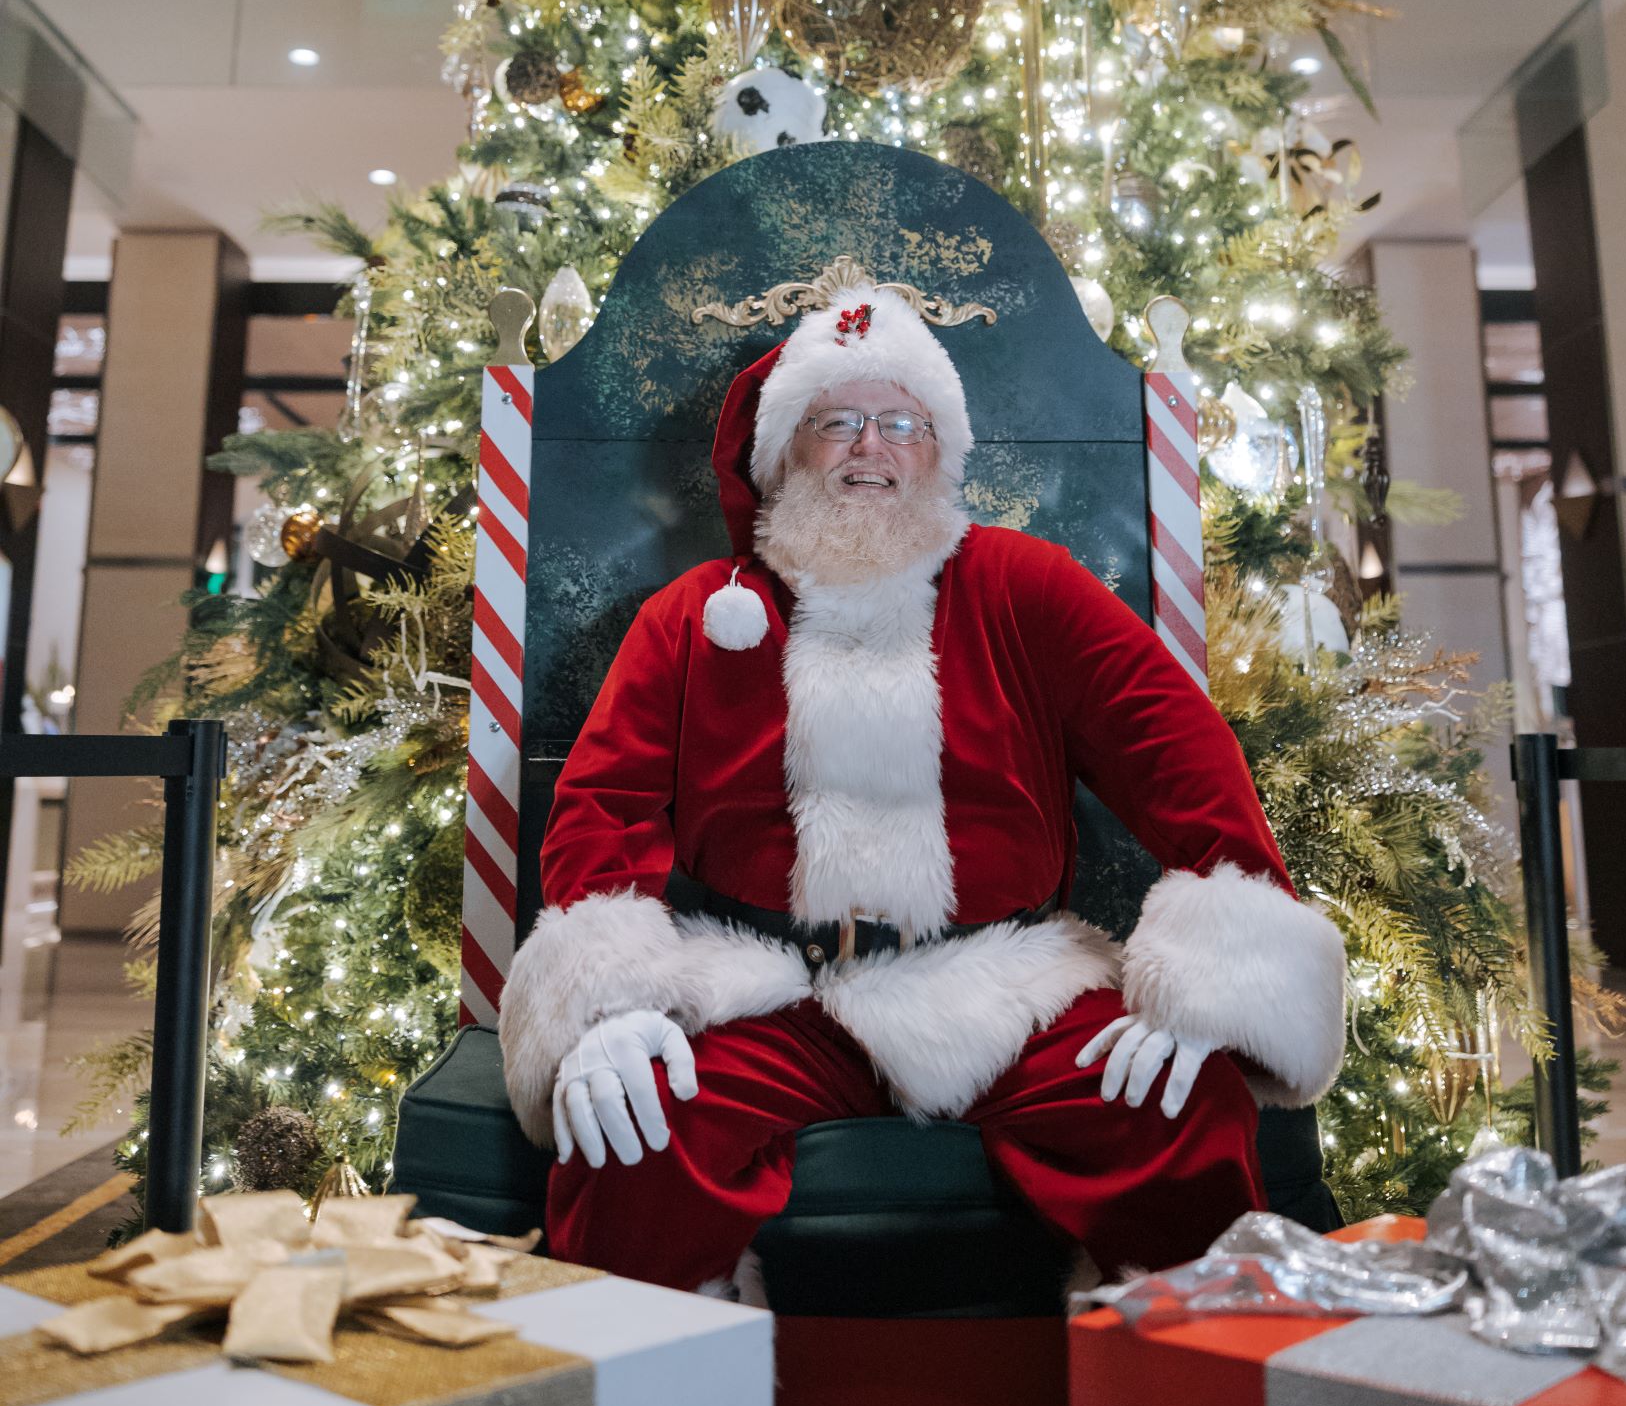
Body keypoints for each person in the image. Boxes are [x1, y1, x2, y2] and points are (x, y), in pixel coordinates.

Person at [500, 287, 1345, 1294]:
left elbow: (1179, 753)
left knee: (1179, 1117)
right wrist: (608, 1006)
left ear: (938, 449)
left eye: (899, 422)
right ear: (783, 454)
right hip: (769, 987)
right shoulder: (696, 618)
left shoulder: (1027, 585)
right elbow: (605, 802)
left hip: (1007, 983)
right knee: (633, 1135)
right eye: (837, 422)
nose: (871, 448)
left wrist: (1221, 978)